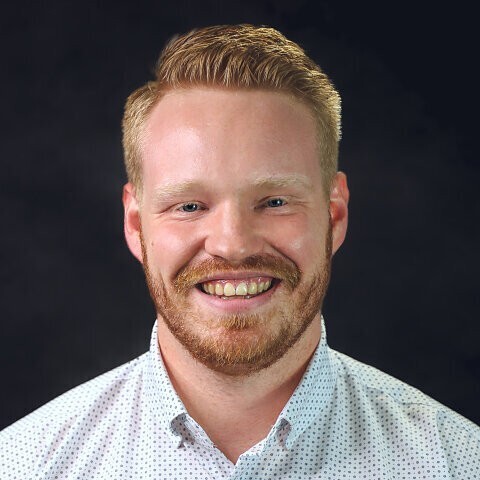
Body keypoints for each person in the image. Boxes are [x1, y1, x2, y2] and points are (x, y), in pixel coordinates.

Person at [1, 24, 479, 479]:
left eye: (274, 202)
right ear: (135, 224)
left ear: (334, 216)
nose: (232, 244)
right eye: (190, 206)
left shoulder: (460, 463)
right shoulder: (22, 465)